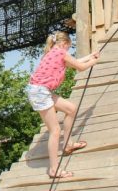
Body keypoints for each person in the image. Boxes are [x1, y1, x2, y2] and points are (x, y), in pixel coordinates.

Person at [27, 31, 100, 179]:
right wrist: (95, 61)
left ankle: (68, 144)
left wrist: (91, 56)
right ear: (64, 44)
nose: (68, 51)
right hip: (40, 92)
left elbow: (76, 61)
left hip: (40, 90)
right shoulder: (61, 52)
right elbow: (80, 67)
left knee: (71, 109)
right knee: (55, 131)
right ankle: (54, 170)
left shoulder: (53, 52)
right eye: (69, 47)